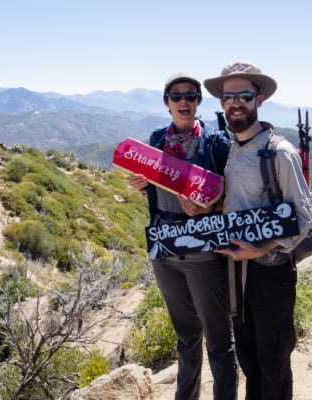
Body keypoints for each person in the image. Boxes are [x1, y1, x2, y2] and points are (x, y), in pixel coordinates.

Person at [204, 61, 312, 400]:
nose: (236, 103)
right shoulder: (233, 148)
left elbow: (303, 214)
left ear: (259, 99)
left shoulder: (278, 152)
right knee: (250, 358)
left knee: (273, 359)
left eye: (244, 95)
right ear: (221, 104)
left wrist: (261, 248)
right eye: (228, 97)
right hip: (237, 271)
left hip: (269, 271)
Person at [128, 72, 237, 400]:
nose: (184, 101)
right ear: (167, 103)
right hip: (164, 248)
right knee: (186, 337)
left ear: (199, 102)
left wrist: (210, 206)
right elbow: (160, 188)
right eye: (176, 96)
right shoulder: (156, 140)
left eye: (191, 95)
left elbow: (235, 193)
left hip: (203, 250)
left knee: (218, 341)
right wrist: (143, 185)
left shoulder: (217, 143)